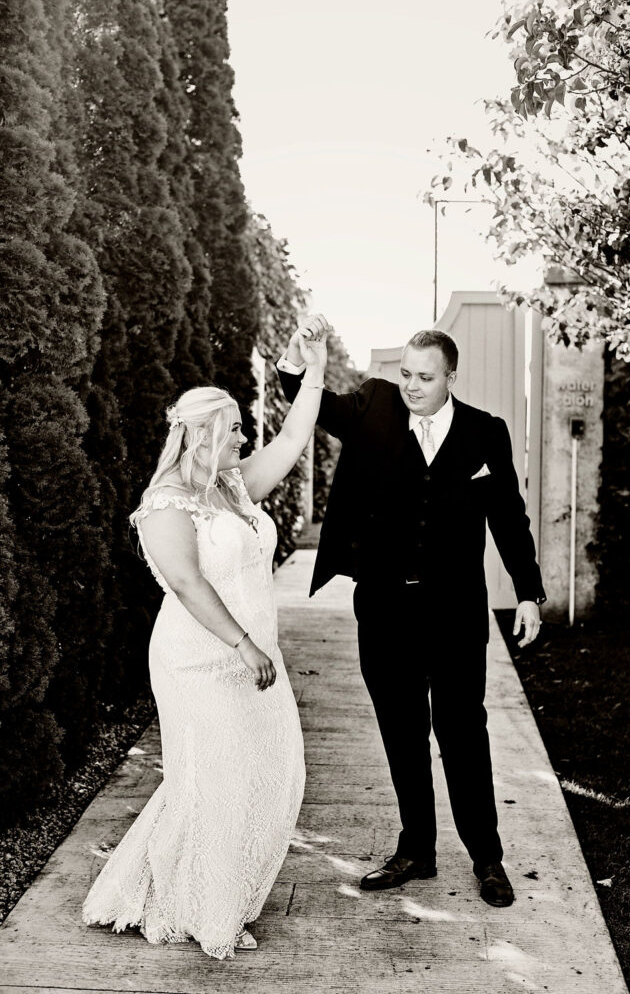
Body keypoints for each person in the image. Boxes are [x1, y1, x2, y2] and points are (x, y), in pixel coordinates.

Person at [277, 316, 545, 908]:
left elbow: (508, 517)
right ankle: (416, 850)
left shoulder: (484, 433)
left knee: (463, 736)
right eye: (406, 375)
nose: (412, 386)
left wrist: (528, 591)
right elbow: (309, 404)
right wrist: (302, 360)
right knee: (402, 736)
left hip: (454, 616)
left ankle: (487, 859)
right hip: (384, 610)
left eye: (425, 377)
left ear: (451, 376)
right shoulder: (371, 407)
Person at [82, 326, 328, 959]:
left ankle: (189, 888)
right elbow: (188, 584)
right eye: (237, 429)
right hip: (199, 659)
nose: (246, 438)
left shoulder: (232, 485)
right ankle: (207, 909)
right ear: (203, 435)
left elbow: (296, 437)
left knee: (265, 773)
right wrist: (244, 645)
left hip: (251, 656)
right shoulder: (164, 504)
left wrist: (315, 366)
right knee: (215, 780)